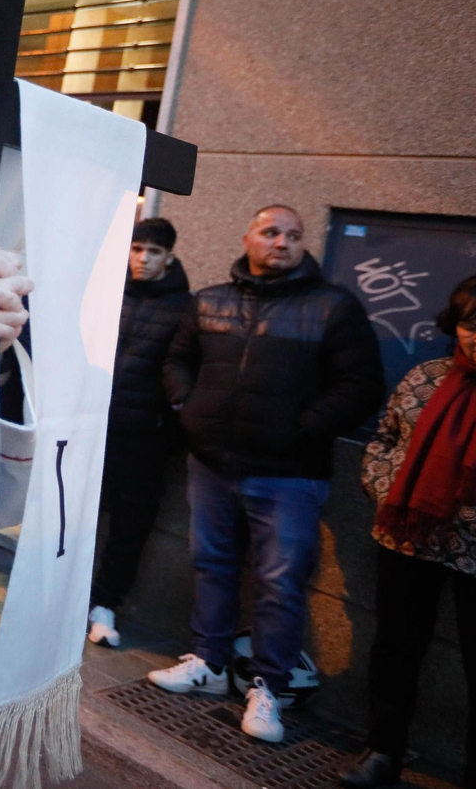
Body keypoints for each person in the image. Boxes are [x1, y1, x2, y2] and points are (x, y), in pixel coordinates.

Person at [150, 205, 384, 744]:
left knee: (280, 582)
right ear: (248, 237)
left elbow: (362, 387)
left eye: (294, 236)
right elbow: (176, 360)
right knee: (211, 562)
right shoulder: (209, 300)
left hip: (288, 475)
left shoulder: (334, 307)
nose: (283, 243)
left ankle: (268, 687)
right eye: (271, 232)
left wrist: (301, 428)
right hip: (211, 465)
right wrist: (187, 407)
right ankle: (208, 660)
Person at [343, 276, 476, 788]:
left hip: (473, 550)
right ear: (455, 326)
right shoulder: (426, 379)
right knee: (396, 649)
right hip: (406, 537)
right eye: (470, 325)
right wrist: (384, 489)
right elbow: (383, 439)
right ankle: (382, 752)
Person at [87, 218, 192, 648]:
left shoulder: (186, 306)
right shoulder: (109, 293)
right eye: (136, 249)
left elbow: (185, 367)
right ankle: (63, 599)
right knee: (74, 517)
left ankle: (105, 605)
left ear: (169, 256)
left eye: (152, 251)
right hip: (93, 426)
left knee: (130, 528)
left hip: (145, 436)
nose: (142, 259)